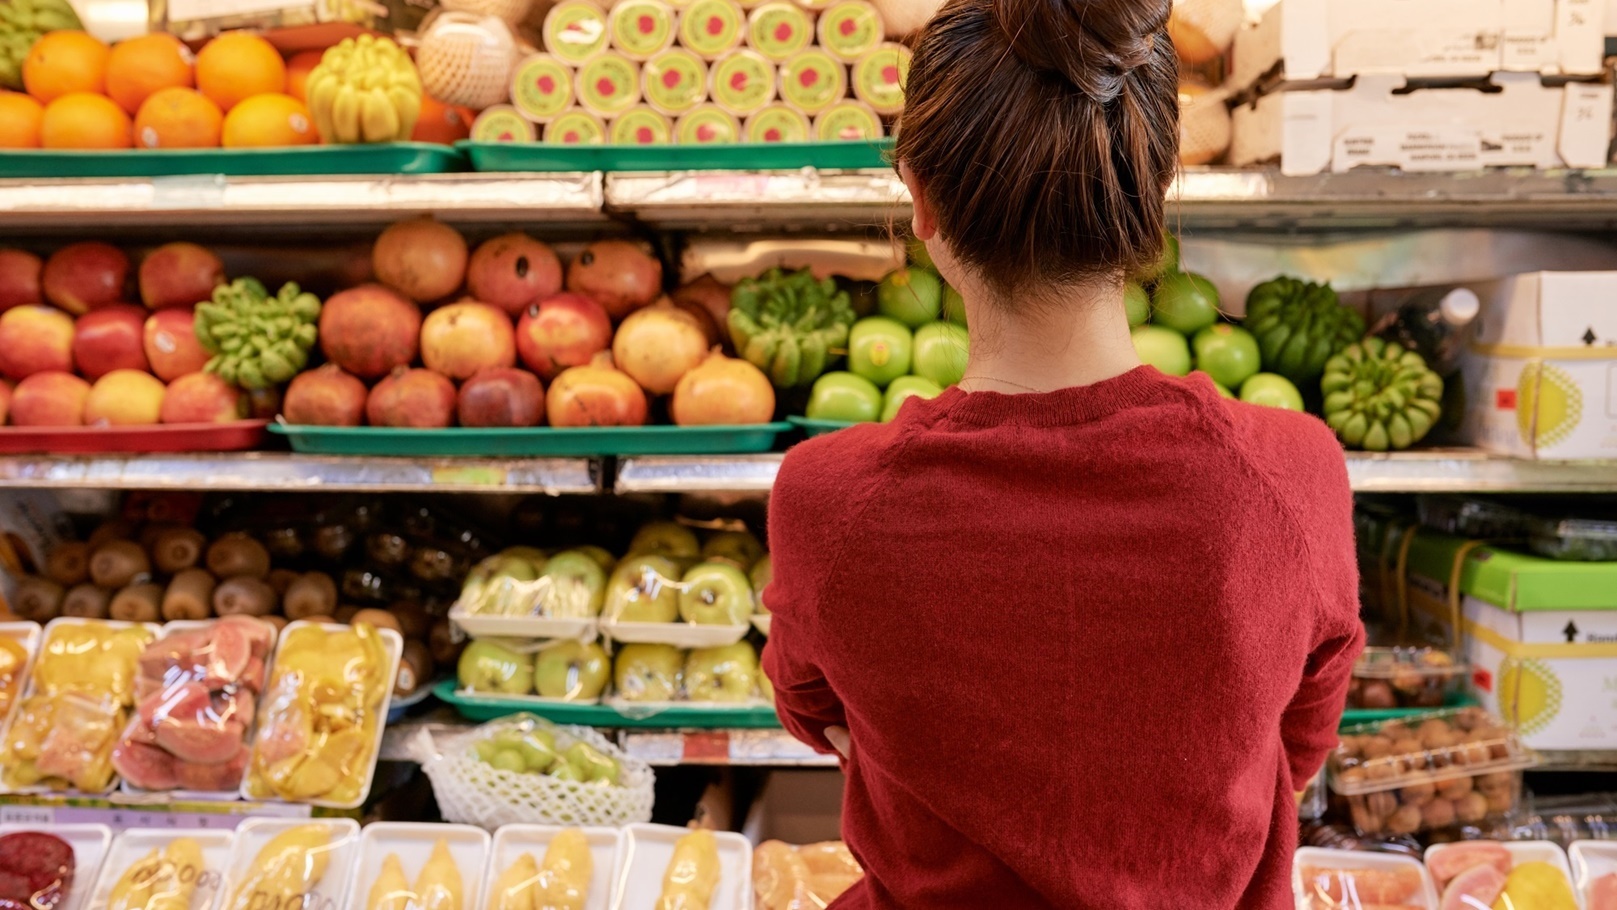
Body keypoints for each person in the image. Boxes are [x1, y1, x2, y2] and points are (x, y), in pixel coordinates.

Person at [759, 0, 1364, 906]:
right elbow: (1300, 732)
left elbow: (813, 709)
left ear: (920, 200)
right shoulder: (1292, 469)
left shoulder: (826, 495)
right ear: (1153, 192)